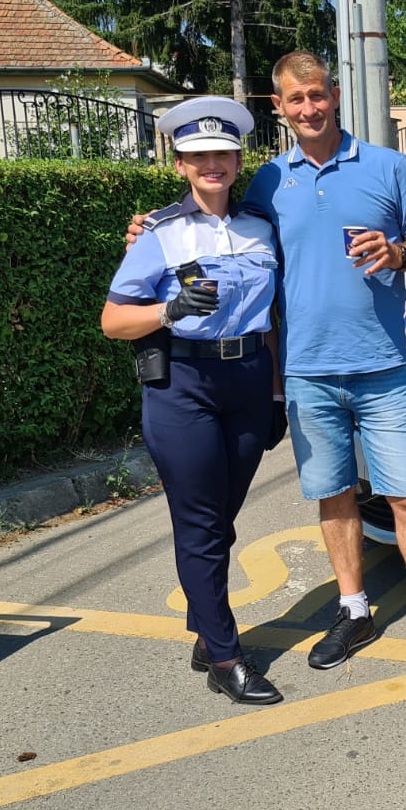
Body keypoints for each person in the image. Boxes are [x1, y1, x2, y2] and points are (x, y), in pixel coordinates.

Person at [131, 53, 406, 684]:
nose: (309, 108)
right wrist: (152, 226)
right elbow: (213, 222)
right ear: (278, 106)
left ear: (335, 94)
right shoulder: (266, 181)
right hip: (306, 373)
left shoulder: (388, 166)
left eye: (318, 95)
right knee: (333, 497)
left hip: (382, 367)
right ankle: (353, 611)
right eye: (296, 100)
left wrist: (397, 252)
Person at [101, 97, 286, 705]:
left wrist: (278, 389)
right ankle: (224, 657)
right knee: (202, 524)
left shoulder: (263, 226)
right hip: (184, 386)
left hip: (250, 381)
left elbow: (277, 314)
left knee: (220, 521)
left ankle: (207, 631)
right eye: (197, 155)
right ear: (179, 164)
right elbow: (112, 320)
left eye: (222, 154)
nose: (212, 164)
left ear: (238, 160)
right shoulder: (159, 234)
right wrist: (165, 310)